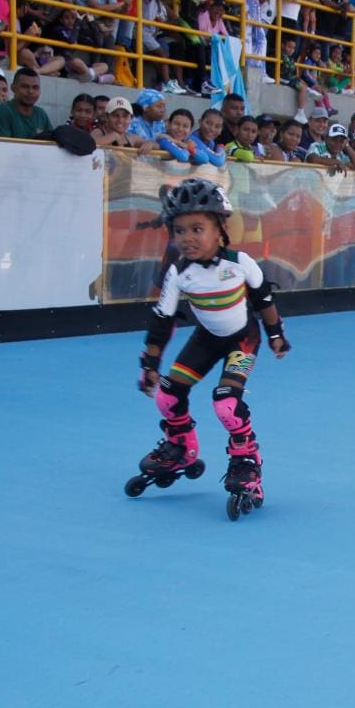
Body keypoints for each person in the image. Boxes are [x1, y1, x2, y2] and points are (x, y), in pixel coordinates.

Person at [132, 178, 291, 514]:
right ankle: (181, 447)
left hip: (243, 340)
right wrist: (150, 365)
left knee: (226, 404)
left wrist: (275, 334)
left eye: (197, 229)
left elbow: (264, 299)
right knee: (168, 395)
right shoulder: (178, 272)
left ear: (220, 230)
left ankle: (246, 460)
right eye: (179, 230)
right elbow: (162, 321)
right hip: (205, 339)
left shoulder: (239, 263)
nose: (187, 238)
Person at [0, 68, 52, 138]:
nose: (30, 91)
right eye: (25, 87)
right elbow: (2, 144)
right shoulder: (0, 111)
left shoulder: (41, 114)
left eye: (35, 87)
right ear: (13, 88)